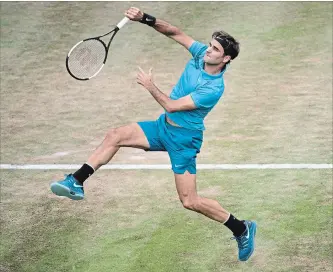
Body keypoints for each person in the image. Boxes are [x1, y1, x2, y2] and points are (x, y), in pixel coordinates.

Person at [50, 7, 257, 261]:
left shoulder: (212, 88)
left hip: (184, 141)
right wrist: (145, 19)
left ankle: (241, 228)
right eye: (210, 45)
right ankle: (77, 181)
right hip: (163, 127)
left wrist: (150, 86)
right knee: (115, 135)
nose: (208, 50)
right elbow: (175, 32)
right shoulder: (201, 54)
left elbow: (171, 105)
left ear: (226, 59)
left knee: (189, 201)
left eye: (215, 49)